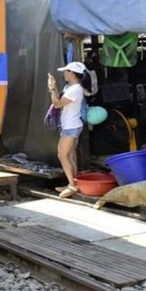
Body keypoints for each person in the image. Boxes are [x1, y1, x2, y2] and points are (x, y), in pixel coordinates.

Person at [48, 61, 88, 198]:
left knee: (63, 155)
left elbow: (57, 104)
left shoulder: (75, 89)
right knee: (70, 155)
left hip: (71, 126)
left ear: (72, 73)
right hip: (72, 125)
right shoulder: (70, 87)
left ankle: (72, 185)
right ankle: (73, 183)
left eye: (66, 71)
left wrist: (52, 89)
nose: (64, 74)